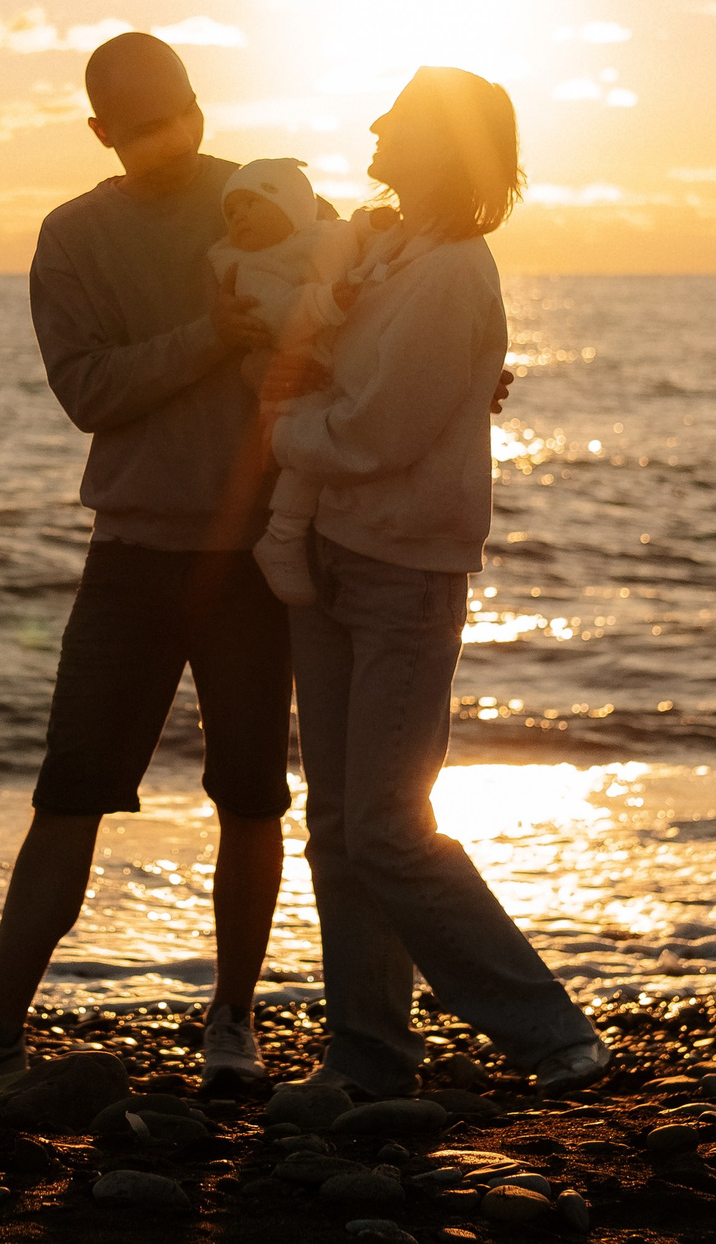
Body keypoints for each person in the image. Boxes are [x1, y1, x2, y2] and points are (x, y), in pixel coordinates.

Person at [0, 32, 295, 1094]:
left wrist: (464, 374)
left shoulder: (266, 198)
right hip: (135, 555)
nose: (170, 136)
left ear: (200, 103)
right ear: (102, 131)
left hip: (255, 559)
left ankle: (234, 1024)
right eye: (142, 123)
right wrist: (208, 335)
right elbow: (90, 395)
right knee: (70, 792)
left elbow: (350, 316)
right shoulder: (72, 236)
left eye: (182, 111)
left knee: (252, 798)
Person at [270, 65, 612, 1101]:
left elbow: (380, 426)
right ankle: (369, 1057)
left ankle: (551, 1034)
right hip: (335, 554)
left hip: (403, 567)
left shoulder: (453, 267)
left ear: (447, 147)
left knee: (382, 824)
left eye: (401, 118)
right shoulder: (385, 248)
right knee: (337, 824)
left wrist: (277, 432)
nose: (374, 123)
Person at [203, 156, 372, 607]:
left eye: (252, 205)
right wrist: (326, 303)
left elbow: (358, 239)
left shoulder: (323, 236)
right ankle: (282, 535)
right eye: (232, 211)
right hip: (292, 379)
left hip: (332, 367)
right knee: (306, 450)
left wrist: (373, 223)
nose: (239, 218)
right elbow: (275, 314)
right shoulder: (244, 265)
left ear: (293, 209)